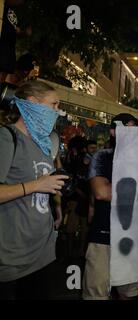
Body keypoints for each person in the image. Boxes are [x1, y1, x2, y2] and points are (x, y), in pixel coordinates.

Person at [82, 114, 138, 300]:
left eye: (135, 129)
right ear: (113, 132)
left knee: (129, 294)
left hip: (134, 238)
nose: (130, 133)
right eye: (126, 128)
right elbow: (102, 192)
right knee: (96, 294)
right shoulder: (102, 156)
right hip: (104, 237)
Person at [0, 80, 68, 299]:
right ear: (32, 103)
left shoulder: (46, 143)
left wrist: (56, 205)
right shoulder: (7, 137)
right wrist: (38, 185)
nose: (58, 111)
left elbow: (47, 181)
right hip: (13, 255)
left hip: (43, 249)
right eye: (54, 105)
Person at [0, 0, 26, 83]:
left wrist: (20, 32)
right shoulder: (2, 6)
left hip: (9, 51)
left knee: (3, 76)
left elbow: (13, 29)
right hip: (2, 47)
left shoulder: (14, 11)